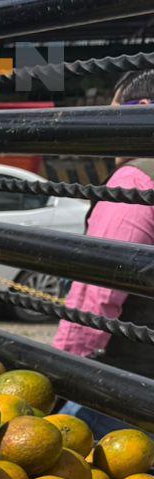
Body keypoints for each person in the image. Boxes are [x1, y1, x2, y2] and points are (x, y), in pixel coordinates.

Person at [53, 69, 154, 376]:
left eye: (111, 115)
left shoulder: (135, 181)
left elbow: (99, 291)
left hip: (131, 373)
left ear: (140, 111)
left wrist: (65, 370)